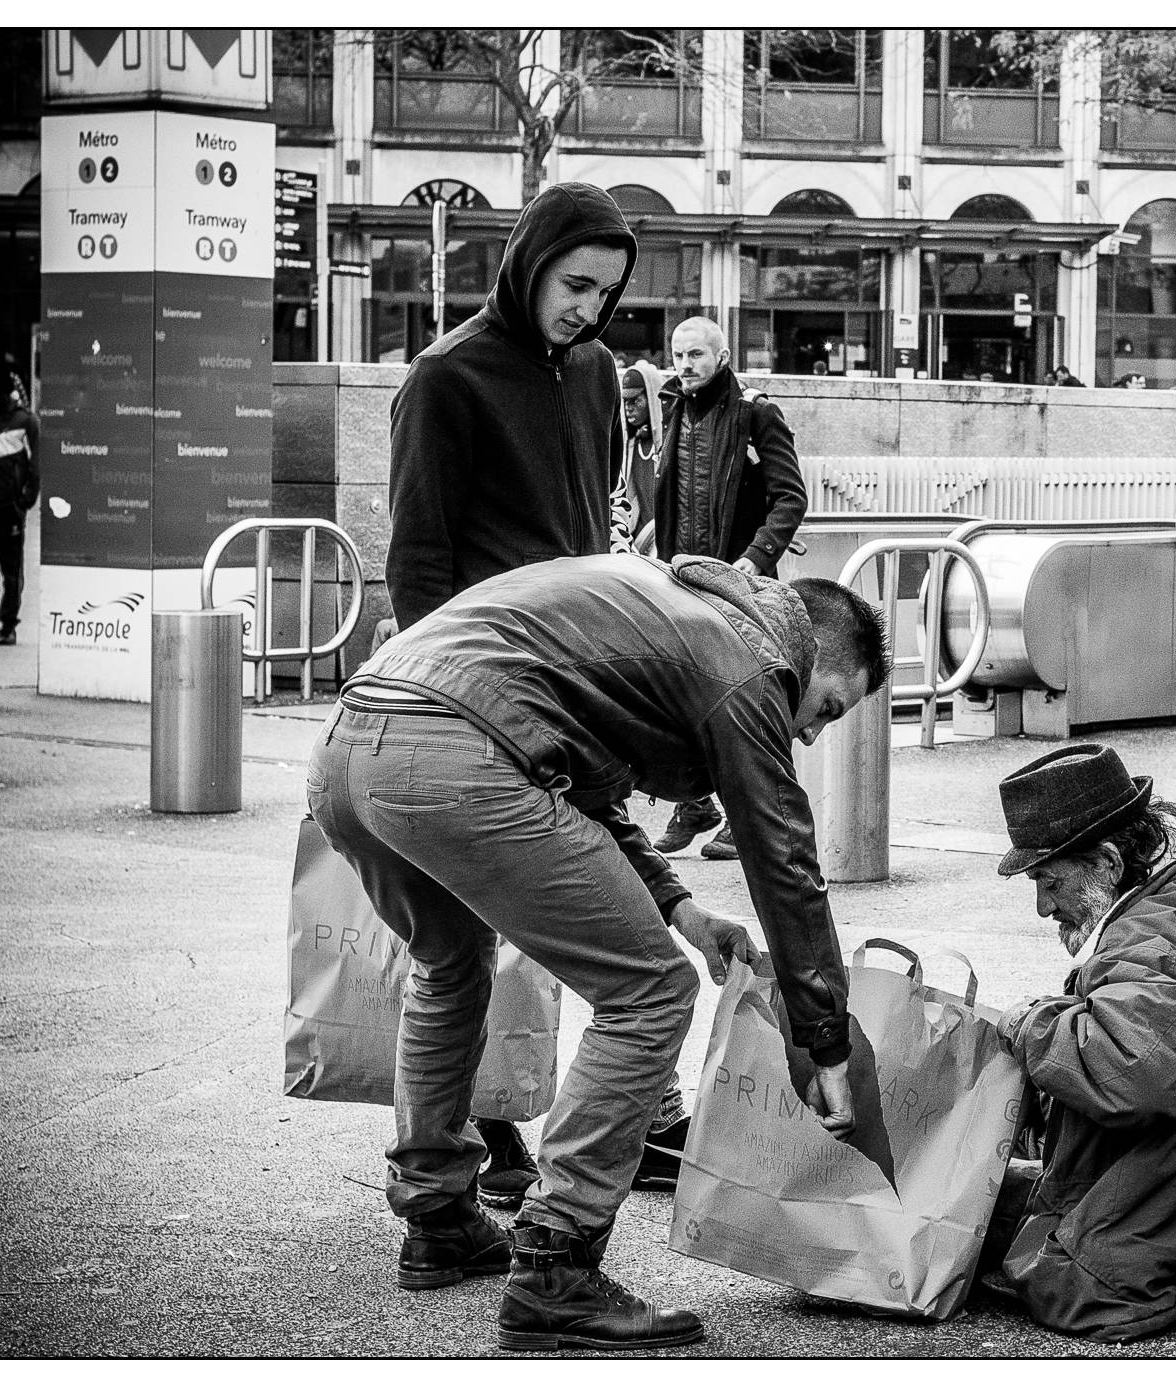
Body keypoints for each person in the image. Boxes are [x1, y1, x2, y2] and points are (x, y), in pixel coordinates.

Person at [306, 552, 890, 1351]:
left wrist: (682, 910)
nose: (812, 732)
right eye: (826, 707)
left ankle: (437, 1216)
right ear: (808, 651)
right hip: (450, 753)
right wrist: (826, 1041)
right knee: (651, 991)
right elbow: (784, 859)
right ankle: (558, 1264)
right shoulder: (753, 665)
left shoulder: (669, 611)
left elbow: (580, 784)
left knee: (451, 962)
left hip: (349, 748)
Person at [384, 180, 639, 1211]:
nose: (589, 308)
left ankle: (501, 1140)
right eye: (575, 284)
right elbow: (416, 561)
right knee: (460, 946)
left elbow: (593, 527)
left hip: (571, 685)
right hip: (470, 699)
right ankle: (474, 1148)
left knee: (567, 925)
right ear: (528, 263)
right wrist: (445, 701)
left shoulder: (599, 372)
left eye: (607, 293)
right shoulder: (444, 378)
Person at [977, 744, 1176, 1344]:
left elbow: (1137, 1071)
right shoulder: (1171, 898)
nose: (1042, 907)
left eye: (1050, 881)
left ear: (1108, 863)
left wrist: (1031, 1024)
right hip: (1148, 1179)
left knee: (1057, 1275)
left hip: (1138, 1229)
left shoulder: (1147, 935)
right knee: (980, 1204)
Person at [636, 315, 809, 863]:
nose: (685, 365)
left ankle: (750, 815)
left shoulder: (756, 413)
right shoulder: (672, 408)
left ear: (722, 357)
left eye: (696, 355)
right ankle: (695, 804)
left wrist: (754, 560)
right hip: (682, 581)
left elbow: (791, 497)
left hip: (739, 585)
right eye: (678, 355)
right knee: (677, 697)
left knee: (750, 702)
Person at [0, 359, 39, 646]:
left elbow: (36, 465)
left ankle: (7, 624)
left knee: (11, 573)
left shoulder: (25, 422)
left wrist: (25, 500)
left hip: (9, 508)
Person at [610, 360, 661, 552]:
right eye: (625, 401)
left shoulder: (670, 442)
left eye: (636, 400)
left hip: (664, 541)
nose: (629, 407)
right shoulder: (628, 445)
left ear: (652, 398)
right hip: (639, 543)